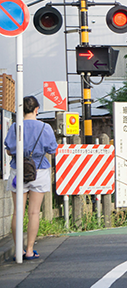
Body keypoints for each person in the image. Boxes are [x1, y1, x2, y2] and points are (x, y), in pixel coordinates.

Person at [4, 96, 58, 260]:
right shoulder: (45, 127)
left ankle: (18, 250)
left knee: (17, 212)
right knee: (34, 212)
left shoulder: (15, 127)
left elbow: (8, 150)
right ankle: (29, 250)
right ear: (37, 109)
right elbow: (52, 150)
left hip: (18, 170)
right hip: (39, 171)